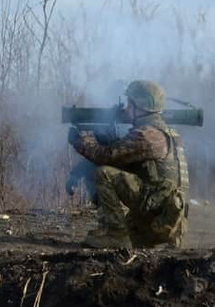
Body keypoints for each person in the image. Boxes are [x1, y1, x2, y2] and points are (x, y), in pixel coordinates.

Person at [68, 80, 189, 249]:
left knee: (103, 173)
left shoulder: (148, 135)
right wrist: (81, 168)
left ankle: (115, 234)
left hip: (157, 213)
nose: (126, 109)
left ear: (138, 107)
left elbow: (107, 157)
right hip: (170, 220)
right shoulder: (168, 133)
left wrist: (81, 142)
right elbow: (132, 165)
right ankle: (137, 235)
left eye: (129, 104)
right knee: (131, 238)